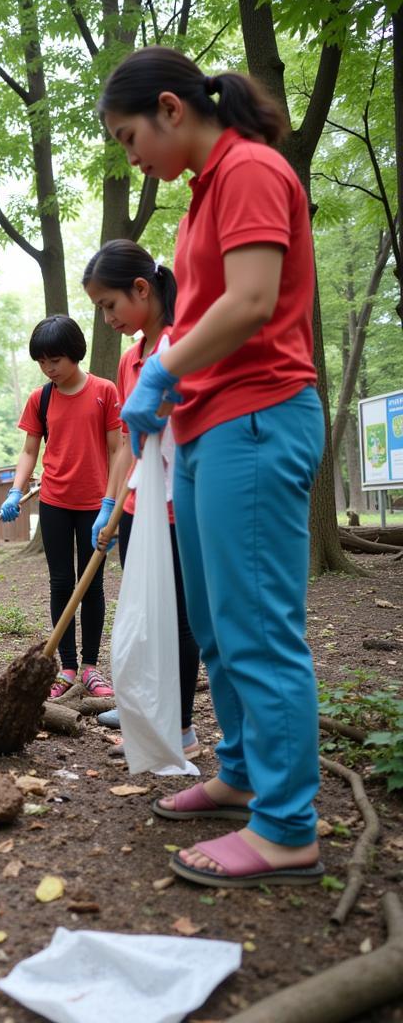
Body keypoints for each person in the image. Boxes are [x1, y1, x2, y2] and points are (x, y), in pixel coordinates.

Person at [99, 46, 325, 886]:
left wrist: (160, 368)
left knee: (258, 627)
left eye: (130, 139)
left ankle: (286, 827)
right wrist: (167, 394)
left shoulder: (252, 171)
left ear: (169, 107)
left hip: (258, 418)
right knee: (218, 629)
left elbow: (253, 302)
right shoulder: (200, 199)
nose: (133, 159)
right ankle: (238, 773)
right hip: (201, 430)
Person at [82, 239, 201, 760]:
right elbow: (131, 445)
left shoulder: (184, 345)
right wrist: (111, 507)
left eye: (110, 305)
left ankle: (179, 728)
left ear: (141, 289)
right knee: (145, 614)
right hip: (136, 509)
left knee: (179, 617)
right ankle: (146, 713)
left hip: (181, 506)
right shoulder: (131, 362)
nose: (107, 318)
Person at [0, 316, 121, 698]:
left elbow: (118, 450)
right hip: (54, 502)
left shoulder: (104, 391)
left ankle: (90, 667)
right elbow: (29, 450)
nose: (49, 368)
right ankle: (65, 667)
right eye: (41, 361)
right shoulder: (42, 397)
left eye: (55, 360)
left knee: (92, 584)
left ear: (74, 354)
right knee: (61, 582)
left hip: (95, 505)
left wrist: (111, 504)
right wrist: (14, 491)